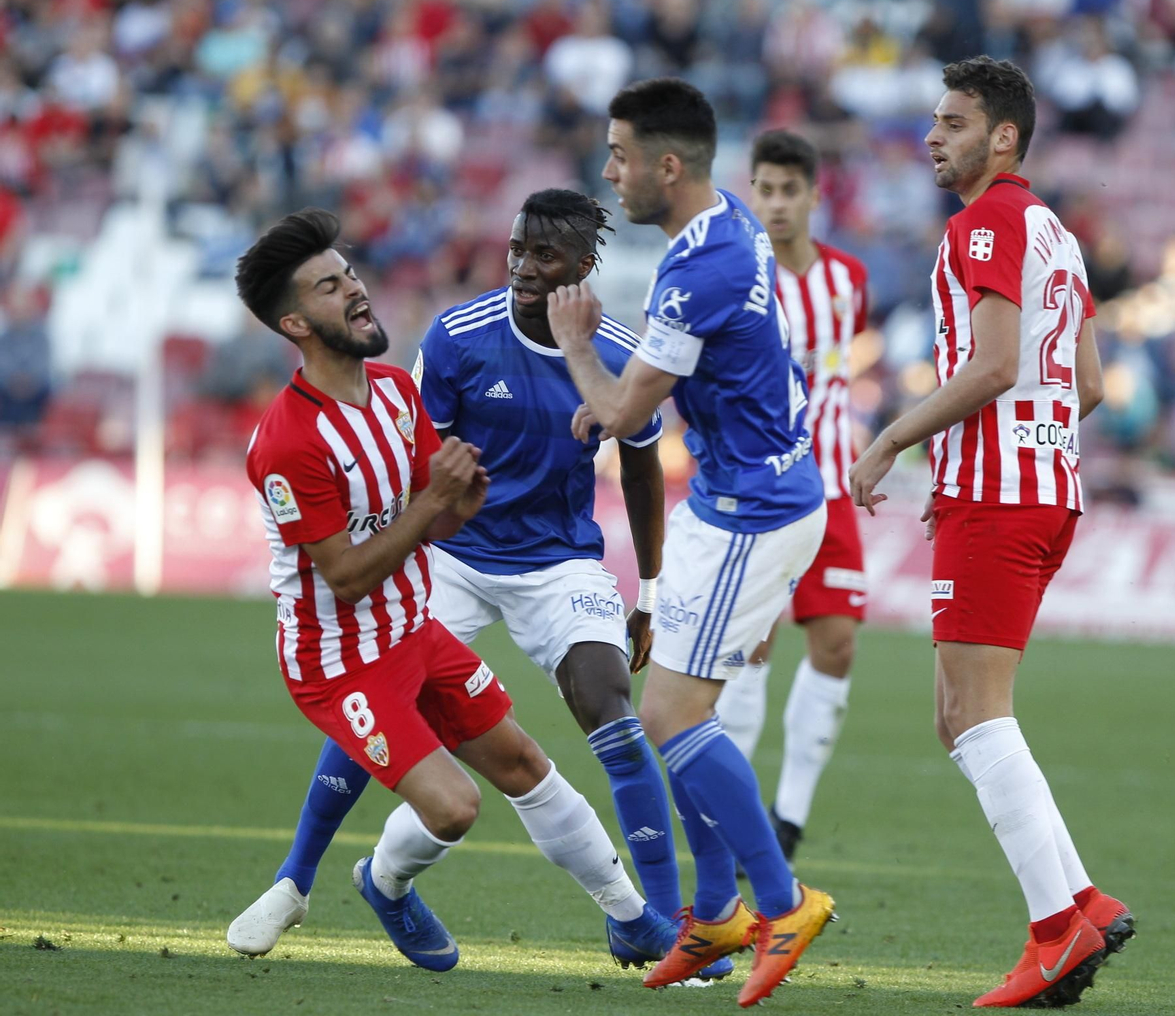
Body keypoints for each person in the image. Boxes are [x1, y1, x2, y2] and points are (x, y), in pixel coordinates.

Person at [233, 208, 676, 973]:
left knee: (528, 766)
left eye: (352, 275)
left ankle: (642, 922)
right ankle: (372, 880)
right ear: (296, 322)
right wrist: (441, 507)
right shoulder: (288, 441)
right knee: (455, 804)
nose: (357, 290)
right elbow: (343, 573)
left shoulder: (398, 392)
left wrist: (458, 496)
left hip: (425, 621)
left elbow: (431, 502)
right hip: (342, 656)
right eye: (332, 287)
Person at [847, 56, 1134, 1008]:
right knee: (957, 716)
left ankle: (1056, 930)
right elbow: (1085, 384)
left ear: (1002, 136)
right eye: (934, 121)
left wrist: (894, 435)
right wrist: (983, 461)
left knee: (978, 716)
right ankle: (1083, 898)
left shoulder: (983, 224)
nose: (933, 136)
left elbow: (996, 363)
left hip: (1000, 499)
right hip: (1042, 490)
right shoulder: (1054, 228)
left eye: (953, 122)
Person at [547, 78, 834, 1008]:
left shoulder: (697, 267)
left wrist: (577, 342)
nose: (608, 171)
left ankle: (781, 903)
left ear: (668, 166)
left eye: (620, 154)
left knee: (672, 714)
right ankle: (714, 909)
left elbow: (624, 412)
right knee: (673, 709)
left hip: (756, 510)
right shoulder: (723, 228)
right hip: (733, 499)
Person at [716, 129, 871, 862]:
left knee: (836, 644)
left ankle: (790, 815)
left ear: (814, 196)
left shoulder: (849, 280)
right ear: (753, 193)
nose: (776, 204)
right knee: (753, 646)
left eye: (789, 191)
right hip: (765, 488)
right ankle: (738, 810)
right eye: (765, 190)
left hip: (834, 486)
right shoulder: (741, 278)